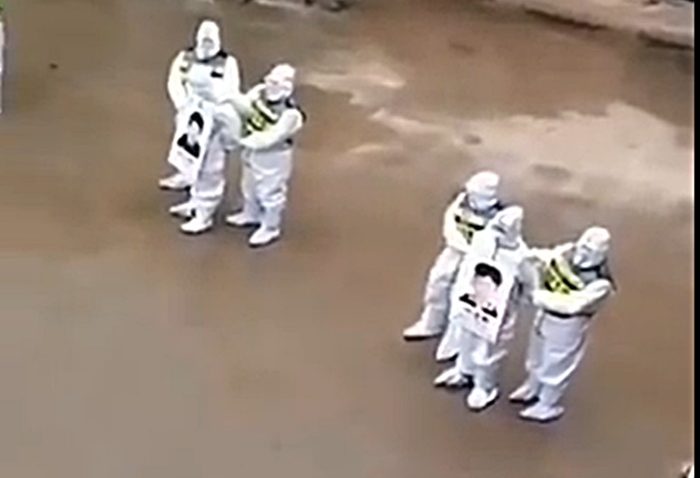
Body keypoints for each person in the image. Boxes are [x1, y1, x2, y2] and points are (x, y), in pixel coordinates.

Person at [509, 226, 615, 422]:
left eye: (590, 250)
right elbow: (550, 257)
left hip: (566, 325)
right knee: (536, 353)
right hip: (544, 315)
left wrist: (540, 296)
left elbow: (573, 305)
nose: (583, 252)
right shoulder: (569, 252)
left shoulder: (600, 284)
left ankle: (547, 404)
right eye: (583, 245)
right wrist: (529, 256)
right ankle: (532, 385)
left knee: (556, 364)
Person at [434, 206, 530, 411]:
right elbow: (468, 267)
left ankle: (484, 386)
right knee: (466, 340)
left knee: (487, 352)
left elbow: (528, 287)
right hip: (471, 303)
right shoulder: (482, 241)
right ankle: (463, 370)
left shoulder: (522, 258)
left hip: (496, 316)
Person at [402, 171, 503, 361]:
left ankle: (456, 341)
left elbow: (494, 243)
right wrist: (456, 242)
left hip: (475, 261)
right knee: (437, 283)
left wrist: (476, 254)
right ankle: (431, 322)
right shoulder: (462, 201)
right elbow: (450, 221)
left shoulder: (498, 217)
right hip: (454, 250)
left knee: (463, 299)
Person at [224, 63, 305, 248]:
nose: (272, 85)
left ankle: (270, 226)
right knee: (249, 184)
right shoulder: (259, 92)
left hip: (273, 156)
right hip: (251, 150)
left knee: (270, 191)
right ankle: (251, 213)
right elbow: (246, 107)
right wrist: (231, 100)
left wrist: (243, 139)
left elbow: (271, 138)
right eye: (271, 80)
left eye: (279, 82)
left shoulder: (290, 115)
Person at [159, 20, 240, 193]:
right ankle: (185, 175)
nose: (207, 44)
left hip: (213, 113)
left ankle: (206, 193)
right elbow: (174, 81)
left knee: (211, 153)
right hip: (188, 110)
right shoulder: (185, 58)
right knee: (186, 146)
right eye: (204, 40)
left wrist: (214, 106)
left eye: (210, 41)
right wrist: (182, 104)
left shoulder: (227, 63)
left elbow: (231, 88)